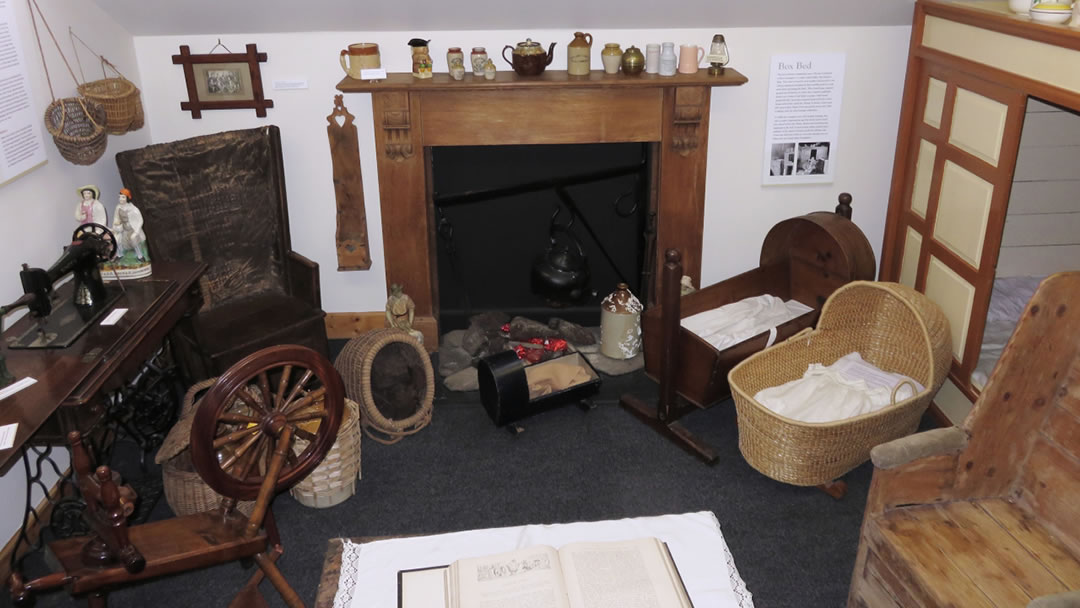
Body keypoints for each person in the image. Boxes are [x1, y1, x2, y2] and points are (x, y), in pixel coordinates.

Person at [112, 189, 148, 262]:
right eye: (119, 197)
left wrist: (136, 232)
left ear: (127, 198)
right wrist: (116, 223)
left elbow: (140, 220)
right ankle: (119, 254)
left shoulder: (133, 209)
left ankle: (140, 255)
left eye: (123, 197)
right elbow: (116, 217)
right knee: (116, 239)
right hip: (123, 229)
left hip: (132, 229)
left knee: (133, 239)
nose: (120, 199)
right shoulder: (118, 207)